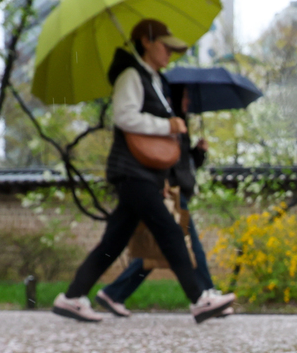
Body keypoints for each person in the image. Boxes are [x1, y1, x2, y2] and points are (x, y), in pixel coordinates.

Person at [52, 19, 237, 324]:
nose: (169, 54)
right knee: (170, 232)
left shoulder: (153, 79)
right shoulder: (131, 76)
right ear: (146, 41)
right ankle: (199, 298)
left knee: (113, 242)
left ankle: (72, 297)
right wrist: (167, 124)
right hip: (132, 172)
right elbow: (124, 117)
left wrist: (163, 176)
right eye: (165, 46)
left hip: (145, 175)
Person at [94, 87, 219, 317]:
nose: (190, 99)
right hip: (169, 191)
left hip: (176, 188)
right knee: (190, 245)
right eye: (187, 95)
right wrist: (160, 181)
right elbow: (159, 155)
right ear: (179, 95)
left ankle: (113, 293)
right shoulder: (166, 121)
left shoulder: (181, 123)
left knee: (156, 251)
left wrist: (198, 153)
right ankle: (207, 293)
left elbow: (182, 162)